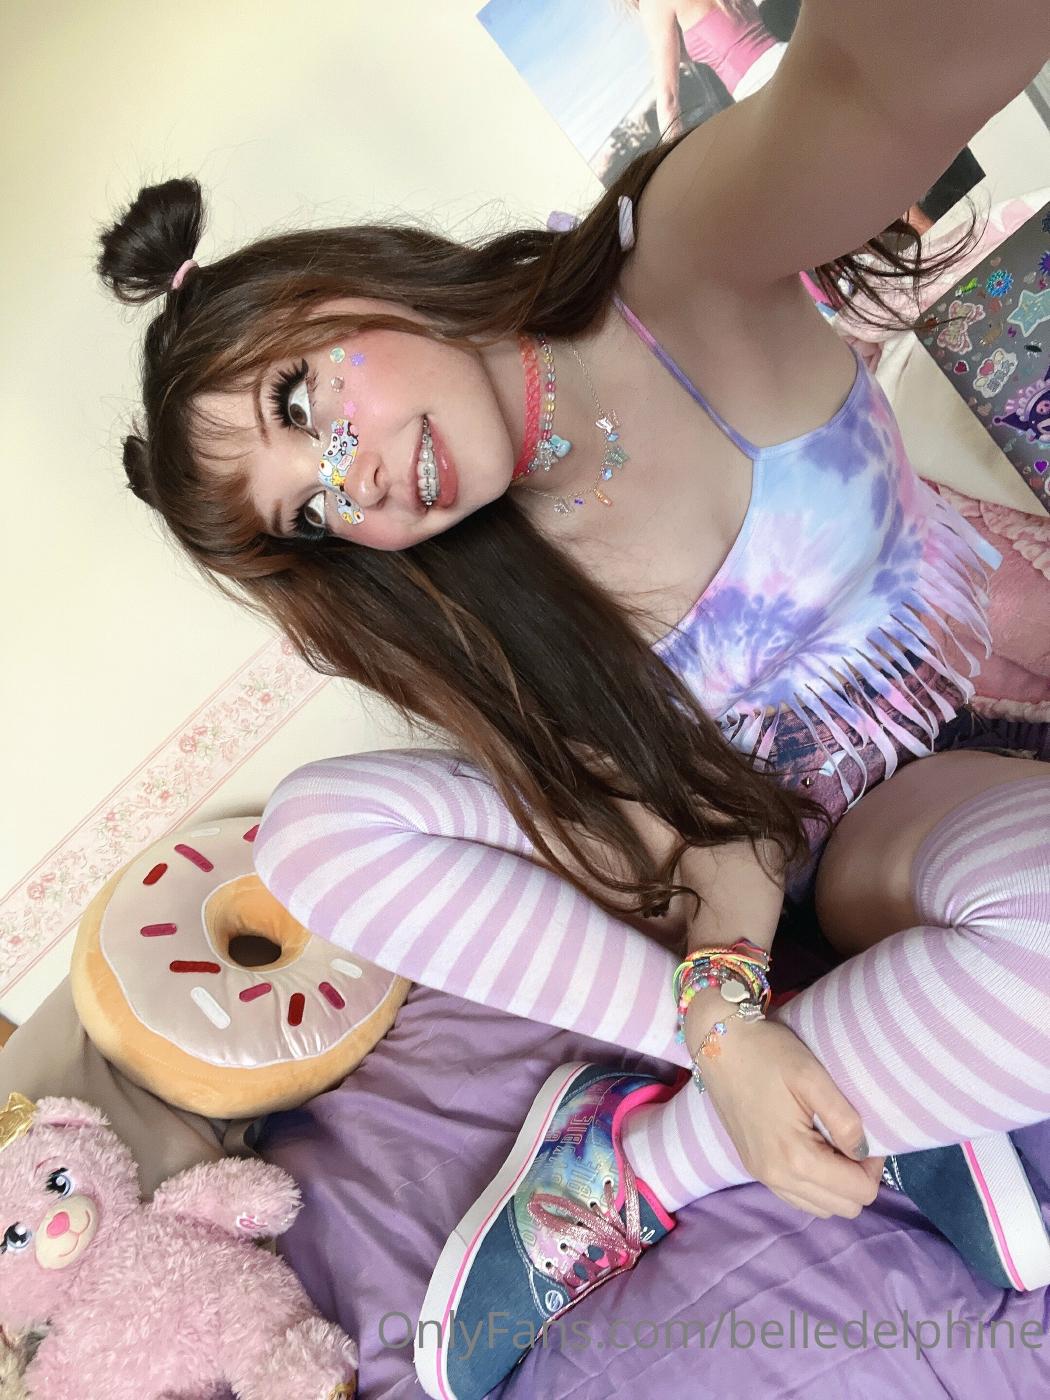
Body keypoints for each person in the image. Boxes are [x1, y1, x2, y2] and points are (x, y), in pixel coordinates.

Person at [95, 2, 1050, 1395]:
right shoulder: (482, 595)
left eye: (297, 402)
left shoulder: (676, 263)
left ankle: (651, 1163)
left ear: (335, 290)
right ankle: (823, 1075)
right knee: (313, 834)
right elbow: (707, 813)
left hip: (902, 787)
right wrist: (721, 1014)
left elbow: (868, 82)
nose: (353, 481)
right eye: (310, 512)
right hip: (721, 851)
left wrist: (731, 1042)